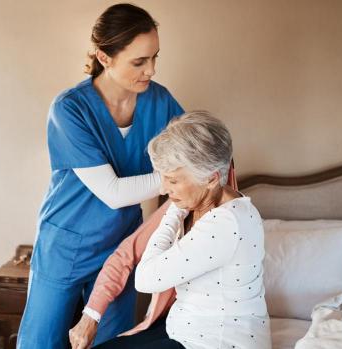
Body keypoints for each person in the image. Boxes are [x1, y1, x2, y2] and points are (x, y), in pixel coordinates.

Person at [16, 4, 184, 349]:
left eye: (154, 58)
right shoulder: (70, 109)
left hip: (118, 247)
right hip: (66, 243)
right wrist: (178, 180)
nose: (150, 70)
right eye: (139, 62)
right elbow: (113, 192)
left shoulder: (160, 101)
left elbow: (197, 149)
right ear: (104, 58)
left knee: (111, 343)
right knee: (41, 342)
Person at [71, 111, 271, 349]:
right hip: (181, 332)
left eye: (173, 181)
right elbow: (129, 252)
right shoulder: (204, 201)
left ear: (210, 178)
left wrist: (174, 211)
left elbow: (145, 279)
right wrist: (91, 314)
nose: (164, 189)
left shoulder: (226, 223)